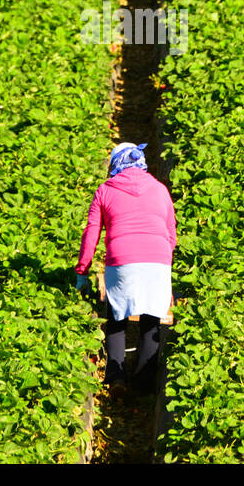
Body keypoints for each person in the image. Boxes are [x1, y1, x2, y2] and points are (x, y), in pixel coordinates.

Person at [75, 143, 176, 393]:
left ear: (115, 165)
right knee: (151, 320)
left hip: (122, 260)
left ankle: (116, 376)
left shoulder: (105, 190)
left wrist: (82, 270)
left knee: (117, 316)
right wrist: (164, 265)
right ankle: (143, 385)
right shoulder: (160, 190)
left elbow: (91, 233)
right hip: (157, 258)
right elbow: (171, 234)